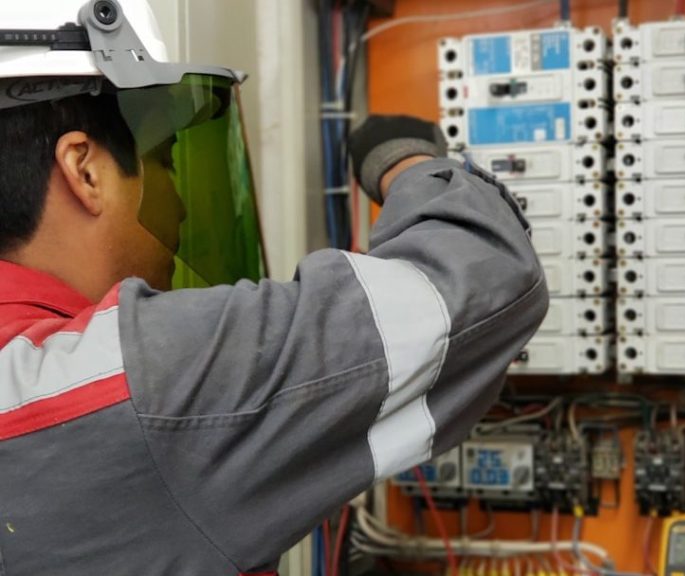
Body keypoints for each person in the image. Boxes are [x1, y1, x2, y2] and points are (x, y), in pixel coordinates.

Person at [0, 0, 548, 574]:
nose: (180, 205)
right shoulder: (144, 385)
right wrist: (402, 160)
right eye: (164, 162)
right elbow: (486, 274)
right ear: (85, 170)